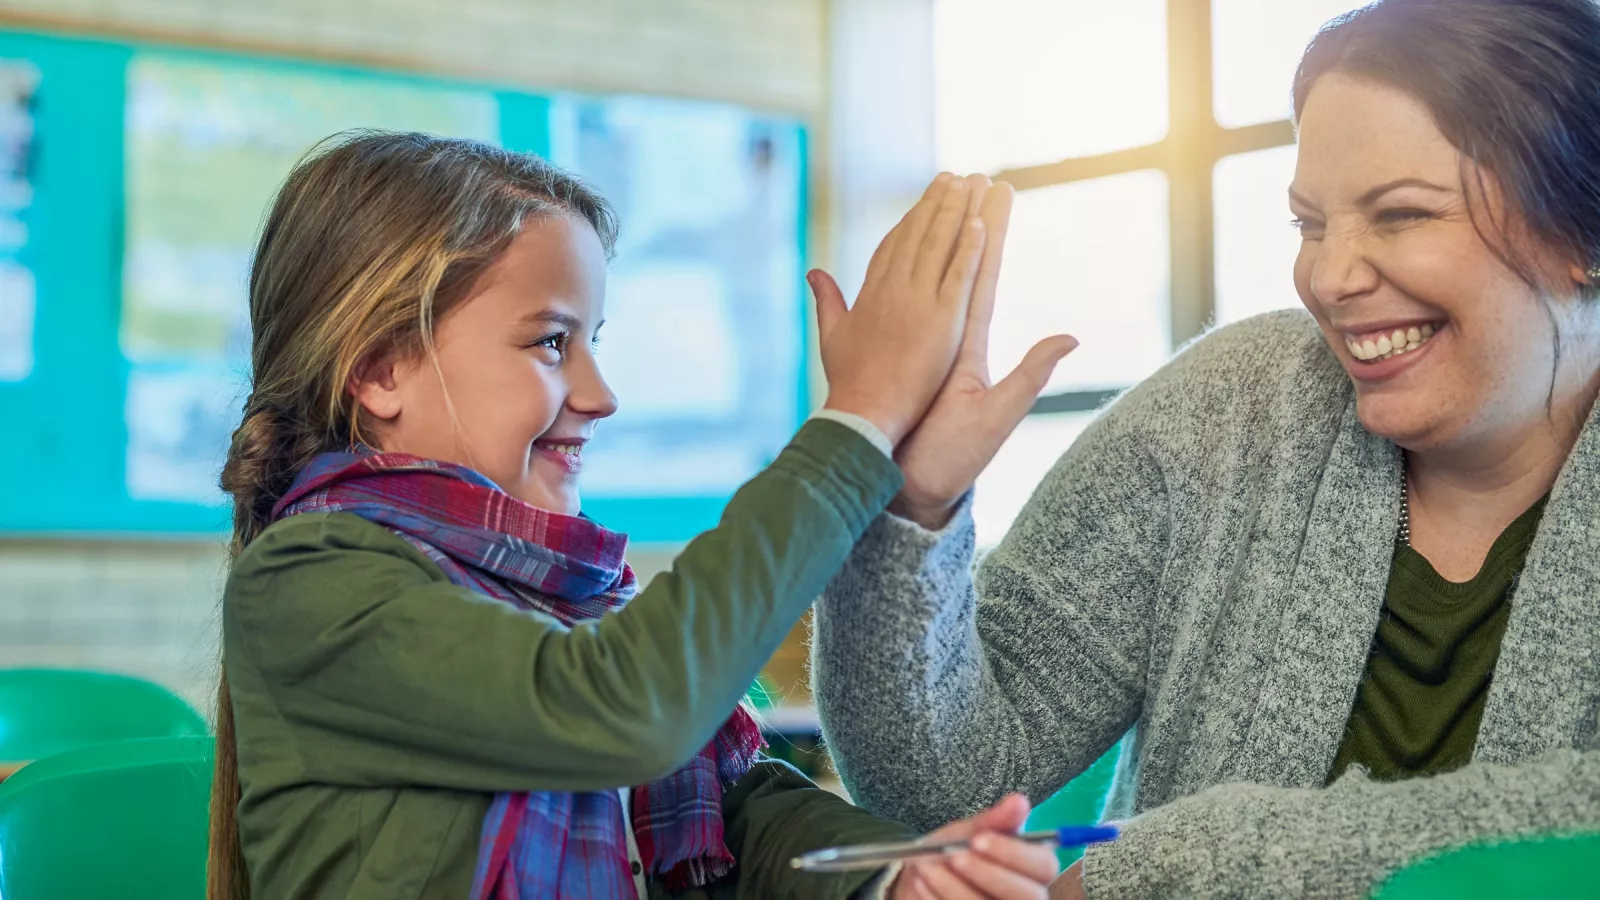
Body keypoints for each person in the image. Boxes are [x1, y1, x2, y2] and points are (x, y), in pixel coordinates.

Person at [809, 1, 1600, 897]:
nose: (1330, 278)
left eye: (1402, 215)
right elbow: (941, 794)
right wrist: (912, 510)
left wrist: (1183, 860)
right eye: (1309, 225)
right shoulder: (1219, 417)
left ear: (1580, 233)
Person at [207, 131, 1069, 899]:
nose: (600, 393)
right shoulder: (309, 579)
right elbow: (626, 708)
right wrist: (861, 420)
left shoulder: (570, 597)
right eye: (550, 341)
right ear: (382, 369)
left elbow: (740, 822)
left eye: (595, 341)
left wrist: (902, 873)